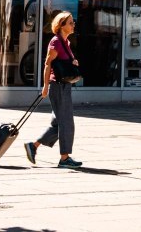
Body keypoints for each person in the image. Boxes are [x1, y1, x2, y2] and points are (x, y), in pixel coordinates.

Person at [24, 11, 83, 169]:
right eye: (70, 22)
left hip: (65, 85)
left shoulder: (66, 43)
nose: (73, 25)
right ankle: (64, 158)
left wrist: (73, 63)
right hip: (57, 86)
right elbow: (47, 64)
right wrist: (45, 86)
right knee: (67, 123)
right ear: (61, 25)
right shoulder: (56, 42)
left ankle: (33, 146)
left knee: (57, 125)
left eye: (73, 22)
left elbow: (63, 63)